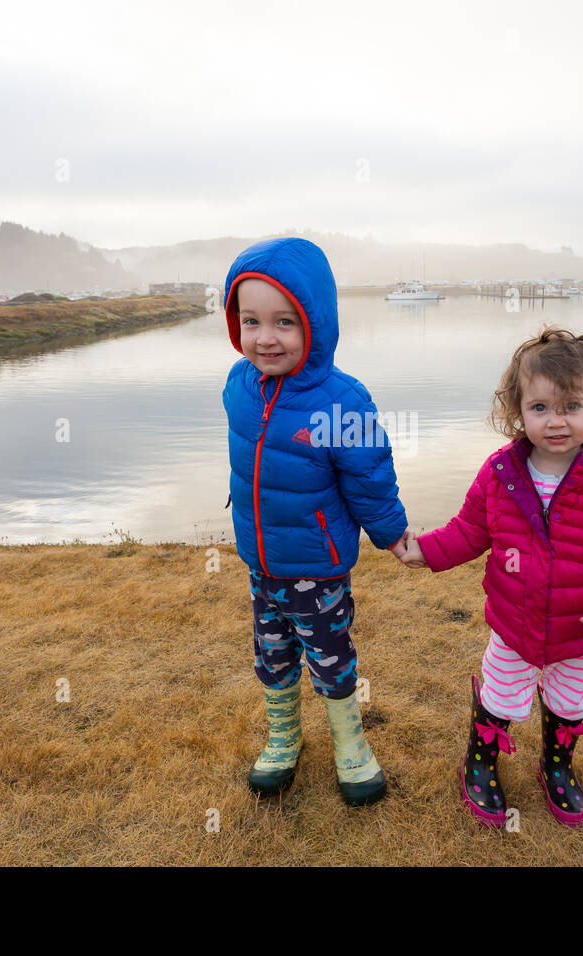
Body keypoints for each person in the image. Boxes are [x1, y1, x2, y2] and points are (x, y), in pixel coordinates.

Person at [398, 327, 583, 827]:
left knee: (568, 700)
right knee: (501, 695)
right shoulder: (500, 472)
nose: (556, 420)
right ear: (517, 411)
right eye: (540, 408)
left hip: (581, 628)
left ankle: (557, 765)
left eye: (571, 406)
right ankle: (480, 759)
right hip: (514, 624)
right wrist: (425, 552)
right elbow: (469, 530)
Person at [222, 236, 411, 807]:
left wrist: (392, 532)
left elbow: (369, 476)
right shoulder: (238, 385)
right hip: (261, 561)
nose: (265, 337)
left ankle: (351, 745)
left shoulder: (342, 401)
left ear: (316, 324)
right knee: (271, 654)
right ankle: (283, 738)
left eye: (284, 322)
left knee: (329, 656)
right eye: (251, 321)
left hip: (318, 567)